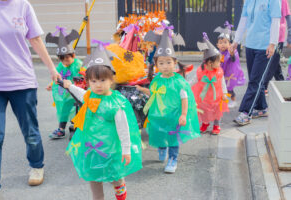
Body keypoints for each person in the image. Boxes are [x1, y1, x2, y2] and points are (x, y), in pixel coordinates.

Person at [0, 0, 61, 199]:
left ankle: (37, 166)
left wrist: (52, 68)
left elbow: (36, 40)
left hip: (22, 81)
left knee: (30, 131)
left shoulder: (23, 6)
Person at [63, 40, 142, 200]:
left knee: (114, 175)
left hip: (111, 148)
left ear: (111, 80)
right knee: (93, 176)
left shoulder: (116, 104)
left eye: (102, 80)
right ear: (88, 82)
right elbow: (81, 94)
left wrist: (126, 150)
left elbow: (123, 129)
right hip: (91, 146)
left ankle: (120, 190)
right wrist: (69, 86)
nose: (98, 85)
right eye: (93, 81)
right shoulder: (90, 95)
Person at [136, 29, 200, 173]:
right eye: (162, 63)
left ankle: (172, 158)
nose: (165, 66)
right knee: (159, 133)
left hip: (174, 116)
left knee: (173, 138)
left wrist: (183, 114)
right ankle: (162, 147)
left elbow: (185, 98)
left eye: (168, 62)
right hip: (158, 115)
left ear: (175, 62)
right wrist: (141, 89)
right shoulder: (157, 79)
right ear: (157, 64)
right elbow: (153, 93)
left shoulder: (178, 81)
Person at [230, 0, 281, 125]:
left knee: (255, 81)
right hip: (250, 45)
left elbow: (276, 21)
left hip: (265, 46)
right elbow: (243, 20)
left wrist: (273, 43)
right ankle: (262, 107)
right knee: (256, 80)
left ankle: (246, 112)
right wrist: (236, 41)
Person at [45, 27, 83, 139]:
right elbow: (57, 76)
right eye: (62, 59)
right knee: (64, 109)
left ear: (73, 56)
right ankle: (61, 129)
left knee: (79, 109)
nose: (65, 61)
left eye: (67, 58)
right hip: (66, 93)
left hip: (77, 92)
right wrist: (51, 84)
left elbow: (83, 76)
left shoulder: (78, 64)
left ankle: (77, 126)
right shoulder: (62, 65)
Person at [191, 33, 229, 135]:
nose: (220, 64)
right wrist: (186, 86)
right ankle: (205, 123)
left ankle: (216, 125)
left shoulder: (219, 71)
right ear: (209, 63)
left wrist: (224, 93)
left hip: (217, 96)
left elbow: (222, 83)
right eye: (218, 61)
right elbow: (194, 80)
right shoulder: (201, 71)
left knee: (217, 111)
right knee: (204, 110)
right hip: (204, 97)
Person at [214, 21, 246, 108]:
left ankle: (233, 100)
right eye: (220, 43)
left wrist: (231, 54)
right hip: (222, 74)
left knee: (229, 89)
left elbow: (233, 59)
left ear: (230, 44)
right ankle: (223, 100)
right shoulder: (219, 53)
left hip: (230, 74)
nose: (223, 44)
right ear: (217, 45)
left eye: (225, 42)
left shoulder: (232, 51)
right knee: (221, 88)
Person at [264, 0, 291, 94]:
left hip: (278, 37)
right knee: (275, 63)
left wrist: (290, 37)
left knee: (272, 61)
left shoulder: (282, 1)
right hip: (267, 36)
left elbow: (288, 18)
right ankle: (282, 83)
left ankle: (263, 85)